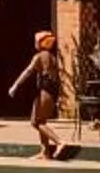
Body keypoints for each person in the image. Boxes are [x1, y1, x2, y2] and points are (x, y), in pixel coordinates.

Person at [9, 29, 70, 160]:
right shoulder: (52, 57)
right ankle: (45, 152)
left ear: (41, 43)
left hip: (45, 90)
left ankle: (59, 142)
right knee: (39, 120)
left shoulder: (39, 56)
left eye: (36, 41)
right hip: (51, 91)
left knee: (36, 122)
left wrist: (15, 85)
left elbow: (28, 71)